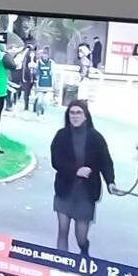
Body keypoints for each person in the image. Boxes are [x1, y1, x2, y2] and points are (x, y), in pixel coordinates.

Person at [50, 100, 116, 255]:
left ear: (86, 116)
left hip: (86, 193)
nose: (75, 116)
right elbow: (56, 161)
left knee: (81, 237)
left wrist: (110, 182)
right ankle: (61, 262)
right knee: (63, 230)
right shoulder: (61, 136)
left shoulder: (96, 138)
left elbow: (106, 162)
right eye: (72, 113)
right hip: (65, 190)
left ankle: (84, 251)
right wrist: (76, 171)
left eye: (78, 113)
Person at [35, 49, 55, 114]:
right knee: (39, 101)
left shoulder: (51, 63)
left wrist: (54, 84)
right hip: (40, 84)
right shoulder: (38, 62)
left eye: (46, 55)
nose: (45, 56)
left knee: (45, 101)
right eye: (44, 55)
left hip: (48, 84)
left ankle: (43, 112)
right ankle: (38, 113)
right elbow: (36, 73)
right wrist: (36, 83)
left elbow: (53, 73)